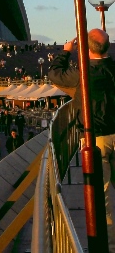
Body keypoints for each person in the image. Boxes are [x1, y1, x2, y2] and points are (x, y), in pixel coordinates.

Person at [47, 28, 115, 240]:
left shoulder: (82, 73)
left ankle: (110, 244)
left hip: (96, 140)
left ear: (86, 48)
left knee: (101, 196)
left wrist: (66, 51)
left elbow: (54, 74)